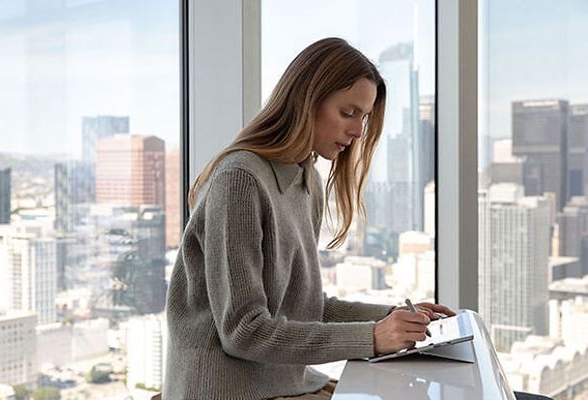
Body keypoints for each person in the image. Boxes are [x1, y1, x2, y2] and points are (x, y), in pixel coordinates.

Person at [163, 38, 552, 400]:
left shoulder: (305, 179)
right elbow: (244, 331)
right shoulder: (241, 180)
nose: (357, 131)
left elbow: (307, 306)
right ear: (305, 100)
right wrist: (374, 337)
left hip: (285, 384)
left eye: (364, 117)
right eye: (348, 112)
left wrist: (398, 320)